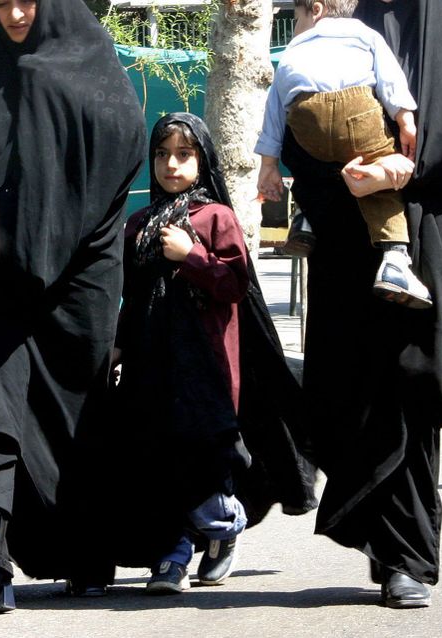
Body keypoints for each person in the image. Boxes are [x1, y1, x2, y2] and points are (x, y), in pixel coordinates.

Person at [0, 0, 146, 613]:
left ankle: (85, 551)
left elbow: (116, 156)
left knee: (73, 417)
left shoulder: (89, 65)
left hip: (76, 280)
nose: (13, 12)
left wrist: (25, 234)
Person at [280, 0, 442, 608]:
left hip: (426, 244)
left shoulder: (440, 33)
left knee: (409, 391)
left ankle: (410, 556)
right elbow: (303, 122)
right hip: (347, 249)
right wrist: (333, 167)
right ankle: (385, 546)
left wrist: (405, 171)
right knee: (353, 394)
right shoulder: (339, 30)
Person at [104, 112, 317, 595]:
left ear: (202, 161)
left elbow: (236, 286)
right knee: (157, 458)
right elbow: (132, 297)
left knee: (201, 456)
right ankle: (173, 556)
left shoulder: (215, 218)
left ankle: (224, 528)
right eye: (162, 154)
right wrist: (117, 346)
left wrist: (192, 255)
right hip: (150, 364)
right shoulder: (138, 224)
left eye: (183, 154)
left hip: (206, 365)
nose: (171, 165)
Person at [256, 0, 431, 309]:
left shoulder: (292, 52)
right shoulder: (366, 35)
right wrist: (405, 121)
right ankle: (394, 259)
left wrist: (268, 164)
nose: (295, 27)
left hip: (306, 119)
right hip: (356, 113)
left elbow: (274, 113)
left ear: (317, 10)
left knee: (313, 167)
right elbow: (391, 80)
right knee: (378, 175)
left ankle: (305, 220)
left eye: (296, 18)